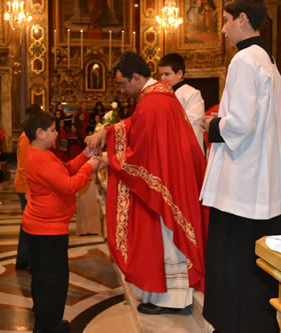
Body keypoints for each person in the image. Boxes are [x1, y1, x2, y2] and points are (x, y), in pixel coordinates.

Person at [85, 51, 208, 315]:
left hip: (166, 183)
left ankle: (171, 300)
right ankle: (169, 296)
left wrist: (109, 158)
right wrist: (107, 131)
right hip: (172, 179)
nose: (123, 89)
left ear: (137, 77)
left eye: (123, 83)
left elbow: (140, 154)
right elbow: (137, 127)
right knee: (166, 238)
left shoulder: (153, 103)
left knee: (167, 238)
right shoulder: (158, 97)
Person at [199, 1, 281, 331]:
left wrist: (212, 125)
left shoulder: (243, 58)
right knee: (254, 263)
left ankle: (231, 324)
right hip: (260, 179)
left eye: (226, 21)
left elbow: (239, 122)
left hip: (240, 182)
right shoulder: (267, 58)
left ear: (243, 19)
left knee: (232, 260)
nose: (223, 29)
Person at [21, 110, 107, 333]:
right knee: (52, 281)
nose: (57, 133)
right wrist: (91, 166)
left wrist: (86, 155)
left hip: (45, 227)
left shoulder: (43, 153)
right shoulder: (39, 157)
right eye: (52, 130)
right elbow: (69, 185)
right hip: (46, 230)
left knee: (46, 278)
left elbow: (65, 170)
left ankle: (46, 321)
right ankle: (49, 326)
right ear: (39, 133)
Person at [14, 104, 42, 270]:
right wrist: (27, 190)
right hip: (24, 186)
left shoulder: (28, 136)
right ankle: (30, 262)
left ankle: (23, 260)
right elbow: (25, 165)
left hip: (26, 185)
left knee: (27, 224)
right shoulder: (25, 138)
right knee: (30, 225)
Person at [159, 53, 205, 153]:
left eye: (167, 74)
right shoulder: (161, 94)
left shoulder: (192, 94)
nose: (162, 78)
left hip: (186, 149)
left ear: (179, 73)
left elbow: (192, 124)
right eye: (161, 74)